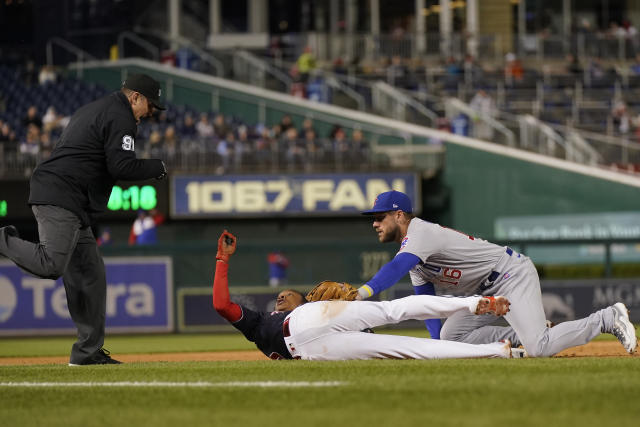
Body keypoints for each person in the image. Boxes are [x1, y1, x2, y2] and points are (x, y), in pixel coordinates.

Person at [0, 73, 168, 365]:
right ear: (135, 97)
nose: (151, 113)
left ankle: (87, 353)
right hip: (61, 197)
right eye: (151, 106)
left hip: (72, 201)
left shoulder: (98, 108)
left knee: (91, 275)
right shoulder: (122, 115)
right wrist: (158, 166)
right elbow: (122, 166)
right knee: (52, 263)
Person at [355, 190, 639, 357]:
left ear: (400, 215)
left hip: (510, 275)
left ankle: (607, 318)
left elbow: (395, 269)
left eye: (380, 217)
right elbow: (426, 304)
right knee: (450, 337)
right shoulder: (414, 255)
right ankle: (518, 336)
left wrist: (362, 293)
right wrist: (437, 346)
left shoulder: (419, 233)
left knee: (539, 348)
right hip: (485, 291)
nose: (374, 224)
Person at [213, 230, 516, 361]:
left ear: (305, 299)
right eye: (279, 297)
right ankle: (499, 350)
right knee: (406, 344)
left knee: (395, 314)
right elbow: (221, 305)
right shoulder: (258, 324)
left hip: (310, 330)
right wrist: (222, 260)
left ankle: (475, 305)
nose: (280, 297)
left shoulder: (308, 309)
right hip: (316, 352)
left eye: (287, 295)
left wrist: (319, 307)